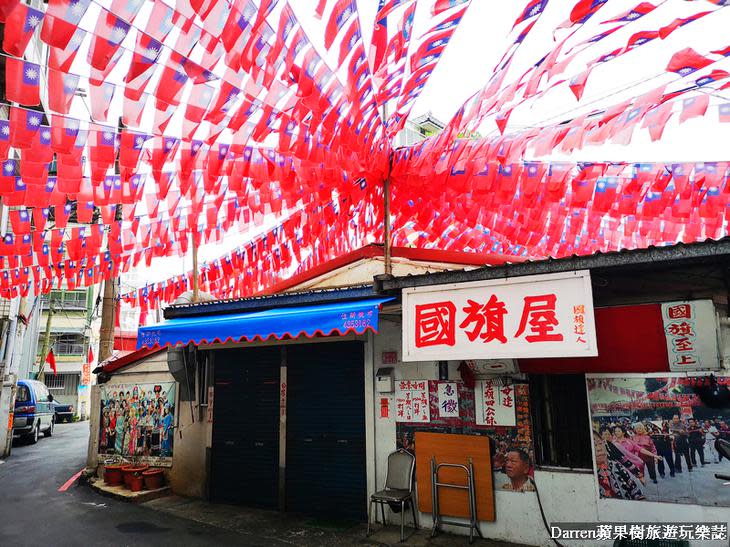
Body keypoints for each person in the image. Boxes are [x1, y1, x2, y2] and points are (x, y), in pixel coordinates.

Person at [599, 427, 645, 500]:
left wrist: (638, 474)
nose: (607, 436)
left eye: (608, 434)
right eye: (605, 434)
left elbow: (623, 459)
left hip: (617, 472)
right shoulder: (603, 444)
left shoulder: (610, 444)